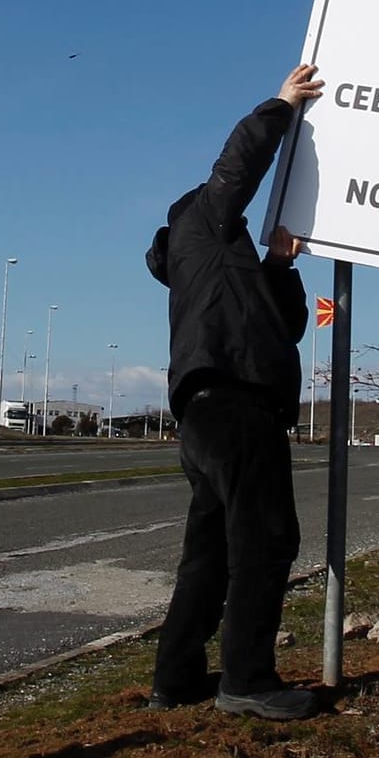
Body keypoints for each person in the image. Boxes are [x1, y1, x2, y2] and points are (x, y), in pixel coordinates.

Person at [143, 64, 324, 720]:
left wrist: (280, 268)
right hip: (236, 404)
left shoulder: (223, 266)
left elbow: (287, 329)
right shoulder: (202, 222)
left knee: (211, 554)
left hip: (210, 410)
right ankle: (247, 677)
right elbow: (235, 167)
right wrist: (280, 106)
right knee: (267, 539)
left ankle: (176, 677)